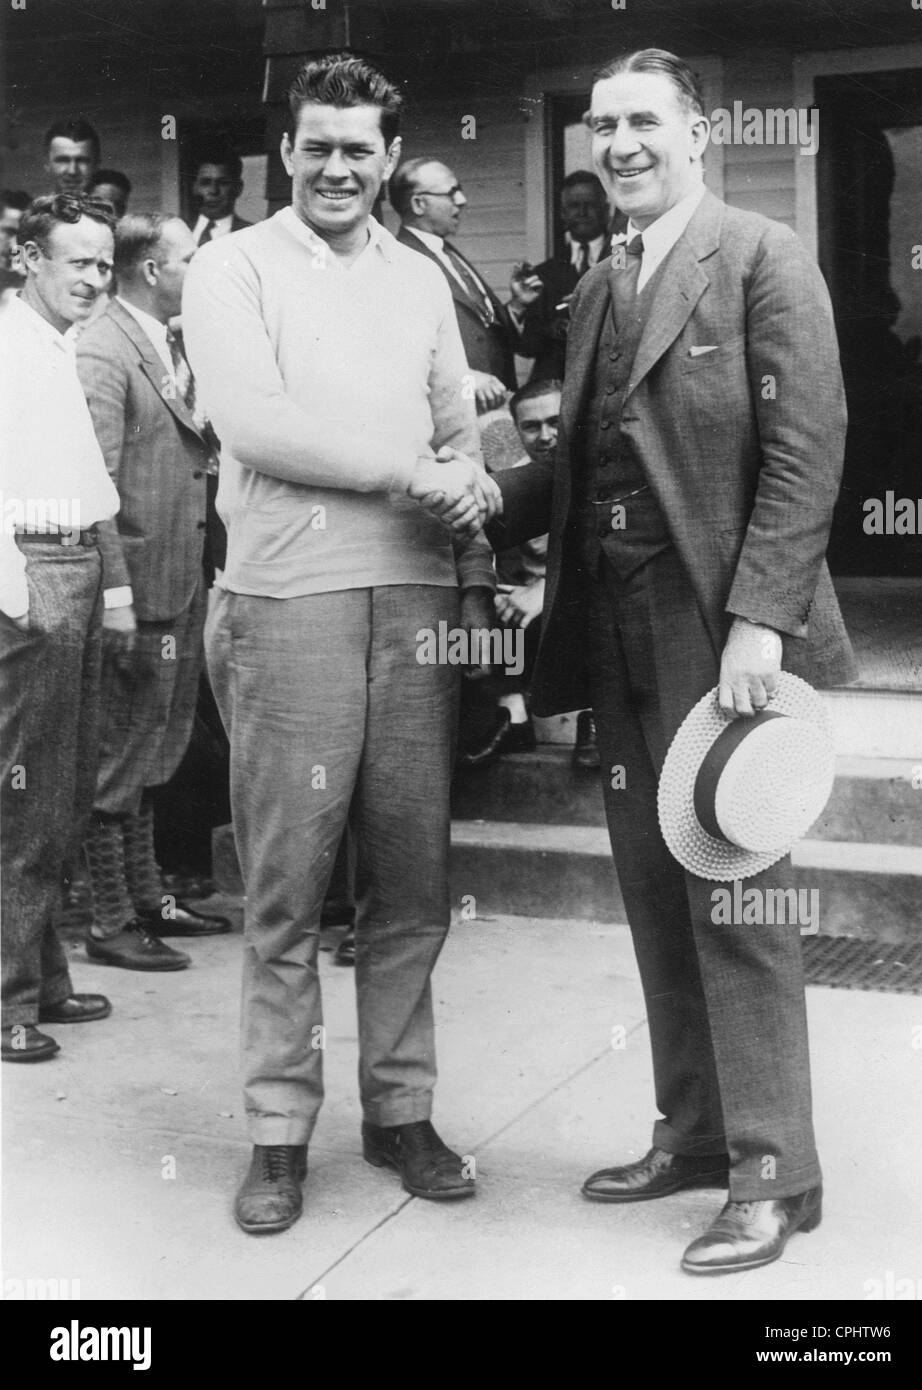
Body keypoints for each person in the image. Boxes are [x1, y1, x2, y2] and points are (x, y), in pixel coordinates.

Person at [475, 48, 857, 1275]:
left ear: (699, 132)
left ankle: (771, 1172)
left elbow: (806, 453)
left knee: (735, 892)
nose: (619, 144)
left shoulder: (758, 256)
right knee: (654, 886)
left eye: (643, 121)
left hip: (717, 628)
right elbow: (576, 462)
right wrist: (472, 493)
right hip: (617, 625)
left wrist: (759, 617)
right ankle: (693, 1135)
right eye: (602, 126)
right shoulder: (598, 288)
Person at [183, 52, 501, 1234]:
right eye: (315, 144)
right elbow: (256, 424)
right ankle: (276, 1131)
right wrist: (417, 473)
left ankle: (400, 1108)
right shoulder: (231, 267)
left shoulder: (418, 275)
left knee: (411, 880)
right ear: (286, 152)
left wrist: (463, 480)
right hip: (287, 601)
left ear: (385, 156)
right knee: (285, 888)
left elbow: (454, 422)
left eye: (357, 147)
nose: (335, 166)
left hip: (415, 605)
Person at [75, 213, 232, 973]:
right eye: (189, 258)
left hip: (178, 578)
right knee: (120, 754)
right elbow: (93, 482)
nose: (198, 271)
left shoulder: (165, 342)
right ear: (150, 269)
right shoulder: (105, 346)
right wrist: (114, 592)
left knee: (157, 746)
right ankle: (108, 919)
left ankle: (145, 899)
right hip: (136, 588)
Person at [0, 193, 118, 1063]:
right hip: (32, 576)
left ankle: (42, 979)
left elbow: (88, 483)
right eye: (76, 260)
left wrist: (105, 591)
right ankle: (8, 1002)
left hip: (72, 565)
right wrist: (18, 599)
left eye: (104, 263)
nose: (93, 277)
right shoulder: (7, 347)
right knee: (25, 798)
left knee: (63, 791)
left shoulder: (56, 346)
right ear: (29, 259)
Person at [458, 378, 559, 767]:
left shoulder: (603, 468)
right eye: (531, 427)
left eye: (556, 422)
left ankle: (592, 723)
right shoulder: (515, 480)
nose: (546, 436)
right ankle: (510, 712)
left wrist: (549, 589)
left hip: (584, 602)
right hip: (530, 611)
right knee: (467, 619)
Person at [390, 157, 517, 412]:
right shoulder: (398, 261)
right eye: (451, 193)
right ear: (419, 203)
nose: (462, 200)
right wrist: (464, 377)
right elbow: (399, 347)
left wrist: (518, 306)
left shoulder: (447, 252)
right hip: (451, 411)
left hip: (493, 408)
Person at [511, 171, 611, 381]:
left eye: (590, 204)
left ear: (606, 210)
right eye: (574, 206)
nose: (583, 212)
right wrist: (553, 329)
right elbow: (528, 348)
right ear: (563, 214)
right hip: (558, 390)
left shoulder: (623, 260)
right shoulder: (544, 274)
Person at [190, 153, 253, 244]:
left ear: (238, 188)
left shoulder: (251, 234)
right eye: (205, 183)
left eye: (223, 183)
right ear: (194, 187)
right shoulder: (175, 232)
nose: (213, 191)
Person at [43, 119, 100, 196]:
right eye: (63, 160)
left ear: (97, 164)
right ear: (47, 164)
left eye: (82, 161)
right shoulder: (35, 208)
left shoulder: (113, 208)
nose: (72, 171)